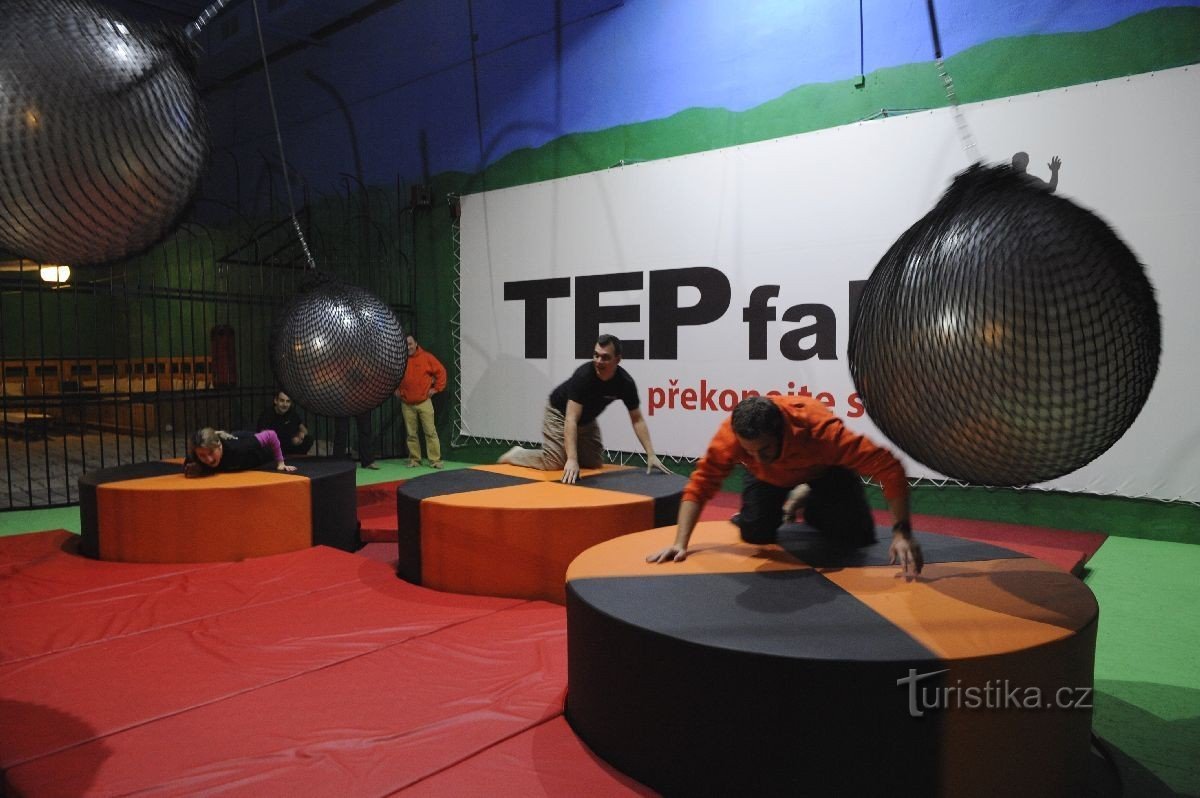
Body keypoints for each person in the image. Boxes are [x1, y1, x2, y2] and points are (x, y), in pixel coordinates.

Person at [645, 395, 923, 579]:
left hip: (824, 472)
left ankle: (804, 495)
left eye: (763, 448)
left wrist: (902, 531)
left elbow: (889, 467)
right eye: (747, 451)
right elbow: (702, 482)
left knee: (854, 537)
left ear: (781, 431)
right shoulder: (734, 438)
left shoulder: (822, 433)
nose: (756, 457)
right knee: (755, 534)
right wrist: (680, 543)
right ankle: (791, 497)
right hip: (769, 479)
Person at [499, 333, 672, 484]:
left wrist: (651, 454)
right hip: (559, 414)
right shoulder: (584, 376)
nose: (598, 361)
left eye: (605, 357)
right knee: (555, 463)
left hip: (587, 420)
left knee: (594, 463)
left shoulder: (625, 383)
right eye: (596, 355)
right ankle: (517, 454)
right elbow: (571, 419)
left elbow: (637, 419)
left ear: (618, 360)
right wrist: (572, 459)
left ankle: (567, 452)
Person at [395, 334, 447, 468]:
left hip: (424, 402)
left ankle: (435, 460)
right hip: (407, 403)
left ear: (416, 343)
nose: (408, 347)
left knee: (430, 432)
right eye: (406, 344)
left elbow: (441, 372)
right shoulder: (400, 360)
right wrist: (395, 390)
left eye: (410, 344)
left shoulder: (427, 358)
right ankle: (415, 460)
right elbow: (393, 376)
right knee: (411, 434)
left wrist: (436, 389)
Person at [184, 427, 298, 478]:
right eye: (202, 456)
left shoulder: (238, 448)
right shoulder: (196, 456)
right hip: (236, 437)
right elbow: (189, 463)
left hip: (263, 452)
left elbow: (271, 435)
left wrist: (280, 462)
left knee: (288, 444)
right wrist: (198, 467)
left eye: (211, 453)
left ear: (219, 445)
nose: (208, 459)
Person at [256, 391, 314, 455]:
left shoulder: (291, 413)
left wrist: (300, 434)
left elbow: (304, 430)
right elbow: (263, 435)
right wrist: (290, 440)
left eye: (288, 401)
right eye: (282, 400)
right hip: (275, 447)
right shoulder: (267, 414)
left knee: (308, 439)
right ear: (276, 401)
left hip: (290, 446)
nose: (285, 404)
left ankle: (295, 458)